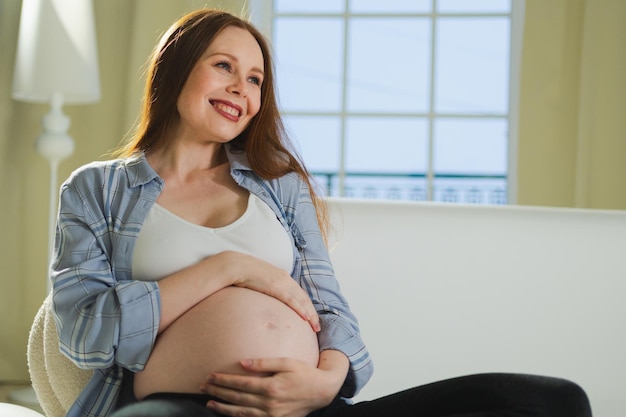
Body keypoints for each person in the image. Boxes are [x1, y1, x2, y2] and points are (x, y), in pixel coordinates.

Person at [50, 8, 593, 417]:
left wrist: (326, 380)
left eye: (257, 78)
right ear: (174, 71)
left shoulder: (280, 187)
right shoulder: (96, 191)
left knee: (551, 401)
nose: (242, 87)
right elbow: (85, 335)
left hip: (305, 405)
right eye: (224, 66)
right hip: (180, 405)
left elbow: (332, 314)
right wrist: (230, 269)